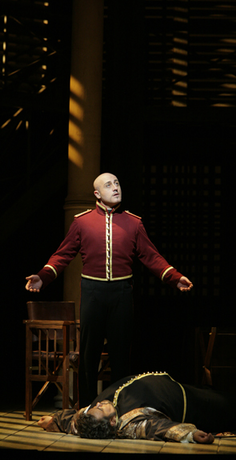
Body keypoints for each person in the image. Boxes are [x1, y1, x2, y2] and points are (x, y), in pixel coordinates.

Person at [25, 173, 193, 407]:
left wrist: (175, 278)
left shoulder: (133, 222)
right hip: (93, 292)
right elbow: (63, 254)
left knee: (121, 354)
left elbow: (151, 256)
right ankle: (86, 409)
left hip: (122, 293)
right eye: (108, 185)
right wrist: (43, 277)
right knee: (89, 354)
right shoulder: (82, 222)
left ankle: (119, 408)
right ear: (97, 194)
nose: (115, 188)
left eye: (117, 183)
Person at [38, 371, 236, 444]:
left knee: (210, 392)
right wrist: (189, 435)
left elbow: (74, 421)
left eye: (94, 406)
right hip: (188, 403)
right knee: (221, 405)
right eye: (100, 409)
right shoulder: (128, 424)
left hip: (170, 384)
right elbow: (157, 428)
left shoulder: (90, 419)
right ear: (110, 422)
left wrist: (54, 420)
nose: (98, 403)